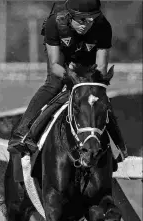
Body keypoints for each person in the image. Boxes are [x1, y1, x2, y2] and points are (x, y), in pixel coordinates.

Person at [7, 0, 128, 163]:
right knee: (54, 85)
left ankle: (120, 147)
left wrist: (88, 83)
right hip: (62, 61)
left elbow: (101, 69)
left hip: (87, 62)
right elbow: (55, 65)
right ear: (69, 16)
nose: (86, 25)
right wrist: (72, 77)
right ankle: (22, 134)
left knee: (96, 96)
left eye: (91, 20)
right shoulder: (54, 23)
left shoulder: (103, 26)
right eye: (81, 20)